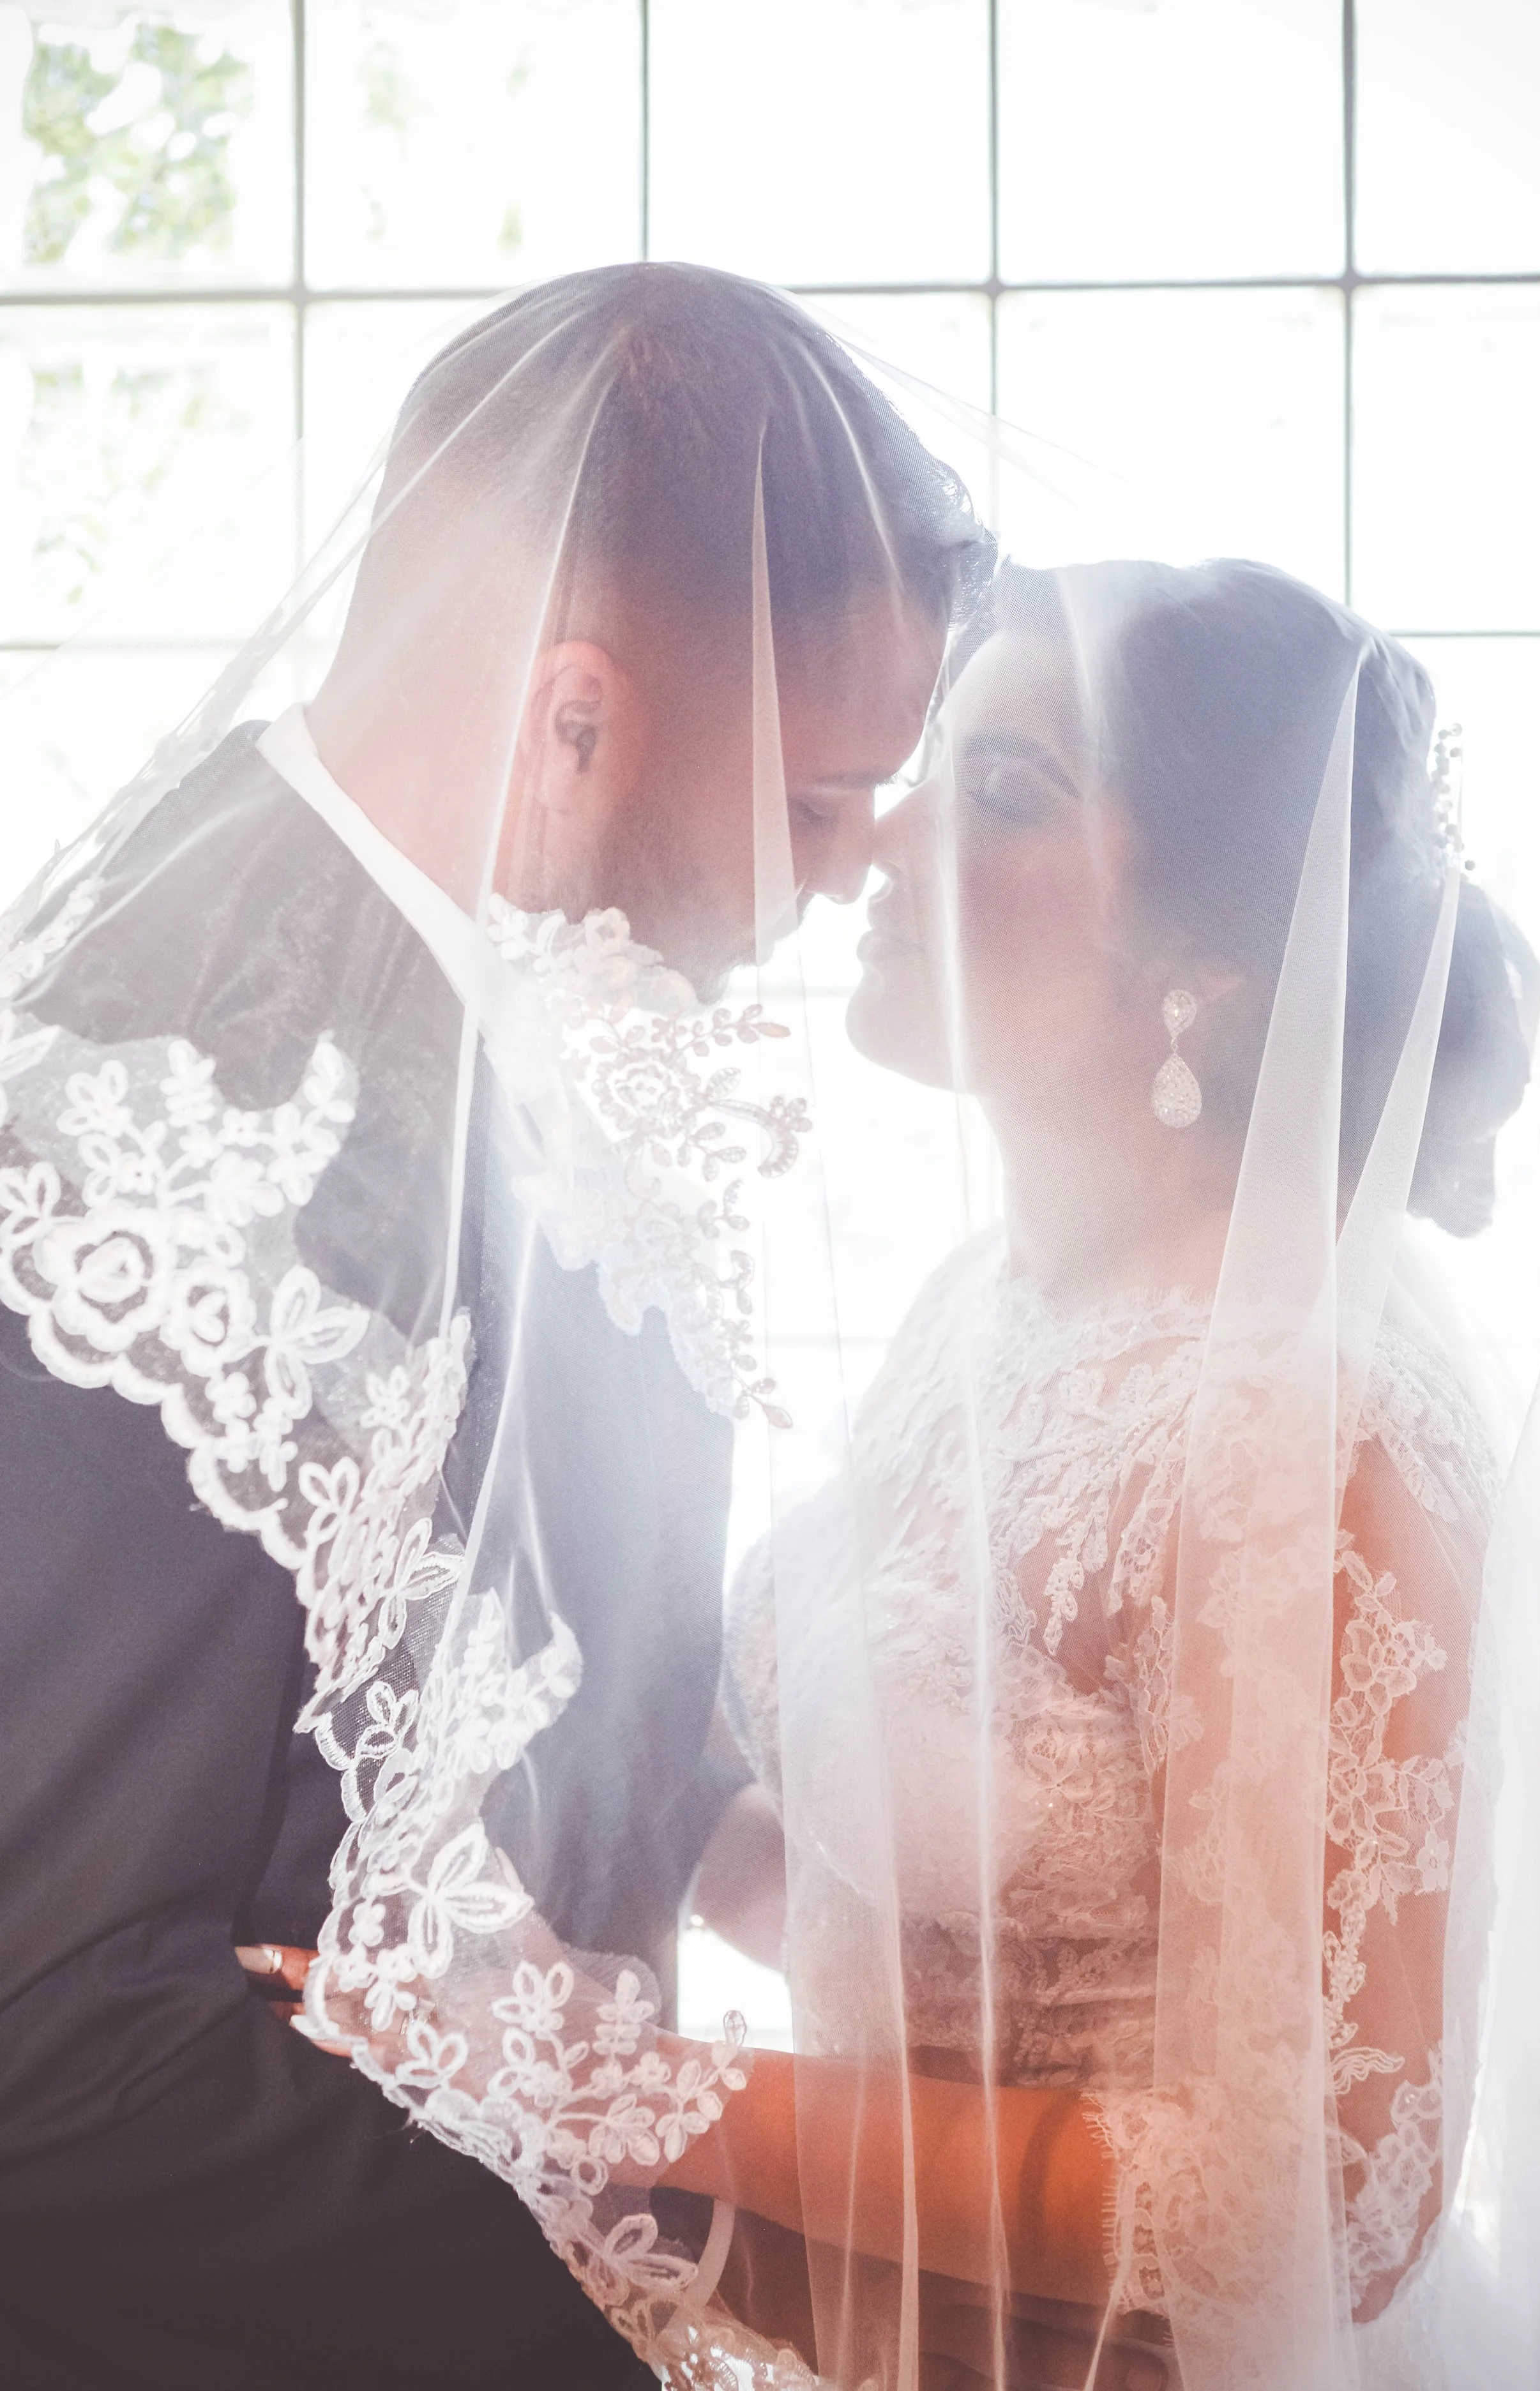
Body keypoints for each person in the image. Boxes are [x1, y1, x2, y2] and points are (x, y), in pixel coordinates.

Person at [0, 261, 987, 2390]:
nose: (847, 877)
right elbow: (45, 2032)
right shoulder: (159, 1139)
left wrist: (740, 1844)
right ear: (573, 717)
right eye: (819, 800)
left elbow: (488, 1700)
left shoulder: (518, 1029)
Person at [686, 559, 1540, 2388]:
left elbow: (1317, 2196)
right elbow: (955, 1950)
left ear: (1213, 960)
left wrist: (652, 2098)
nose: (884, 839)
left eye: (1002, 793)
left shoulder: (1308, 1429)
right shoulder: (978, 1311)